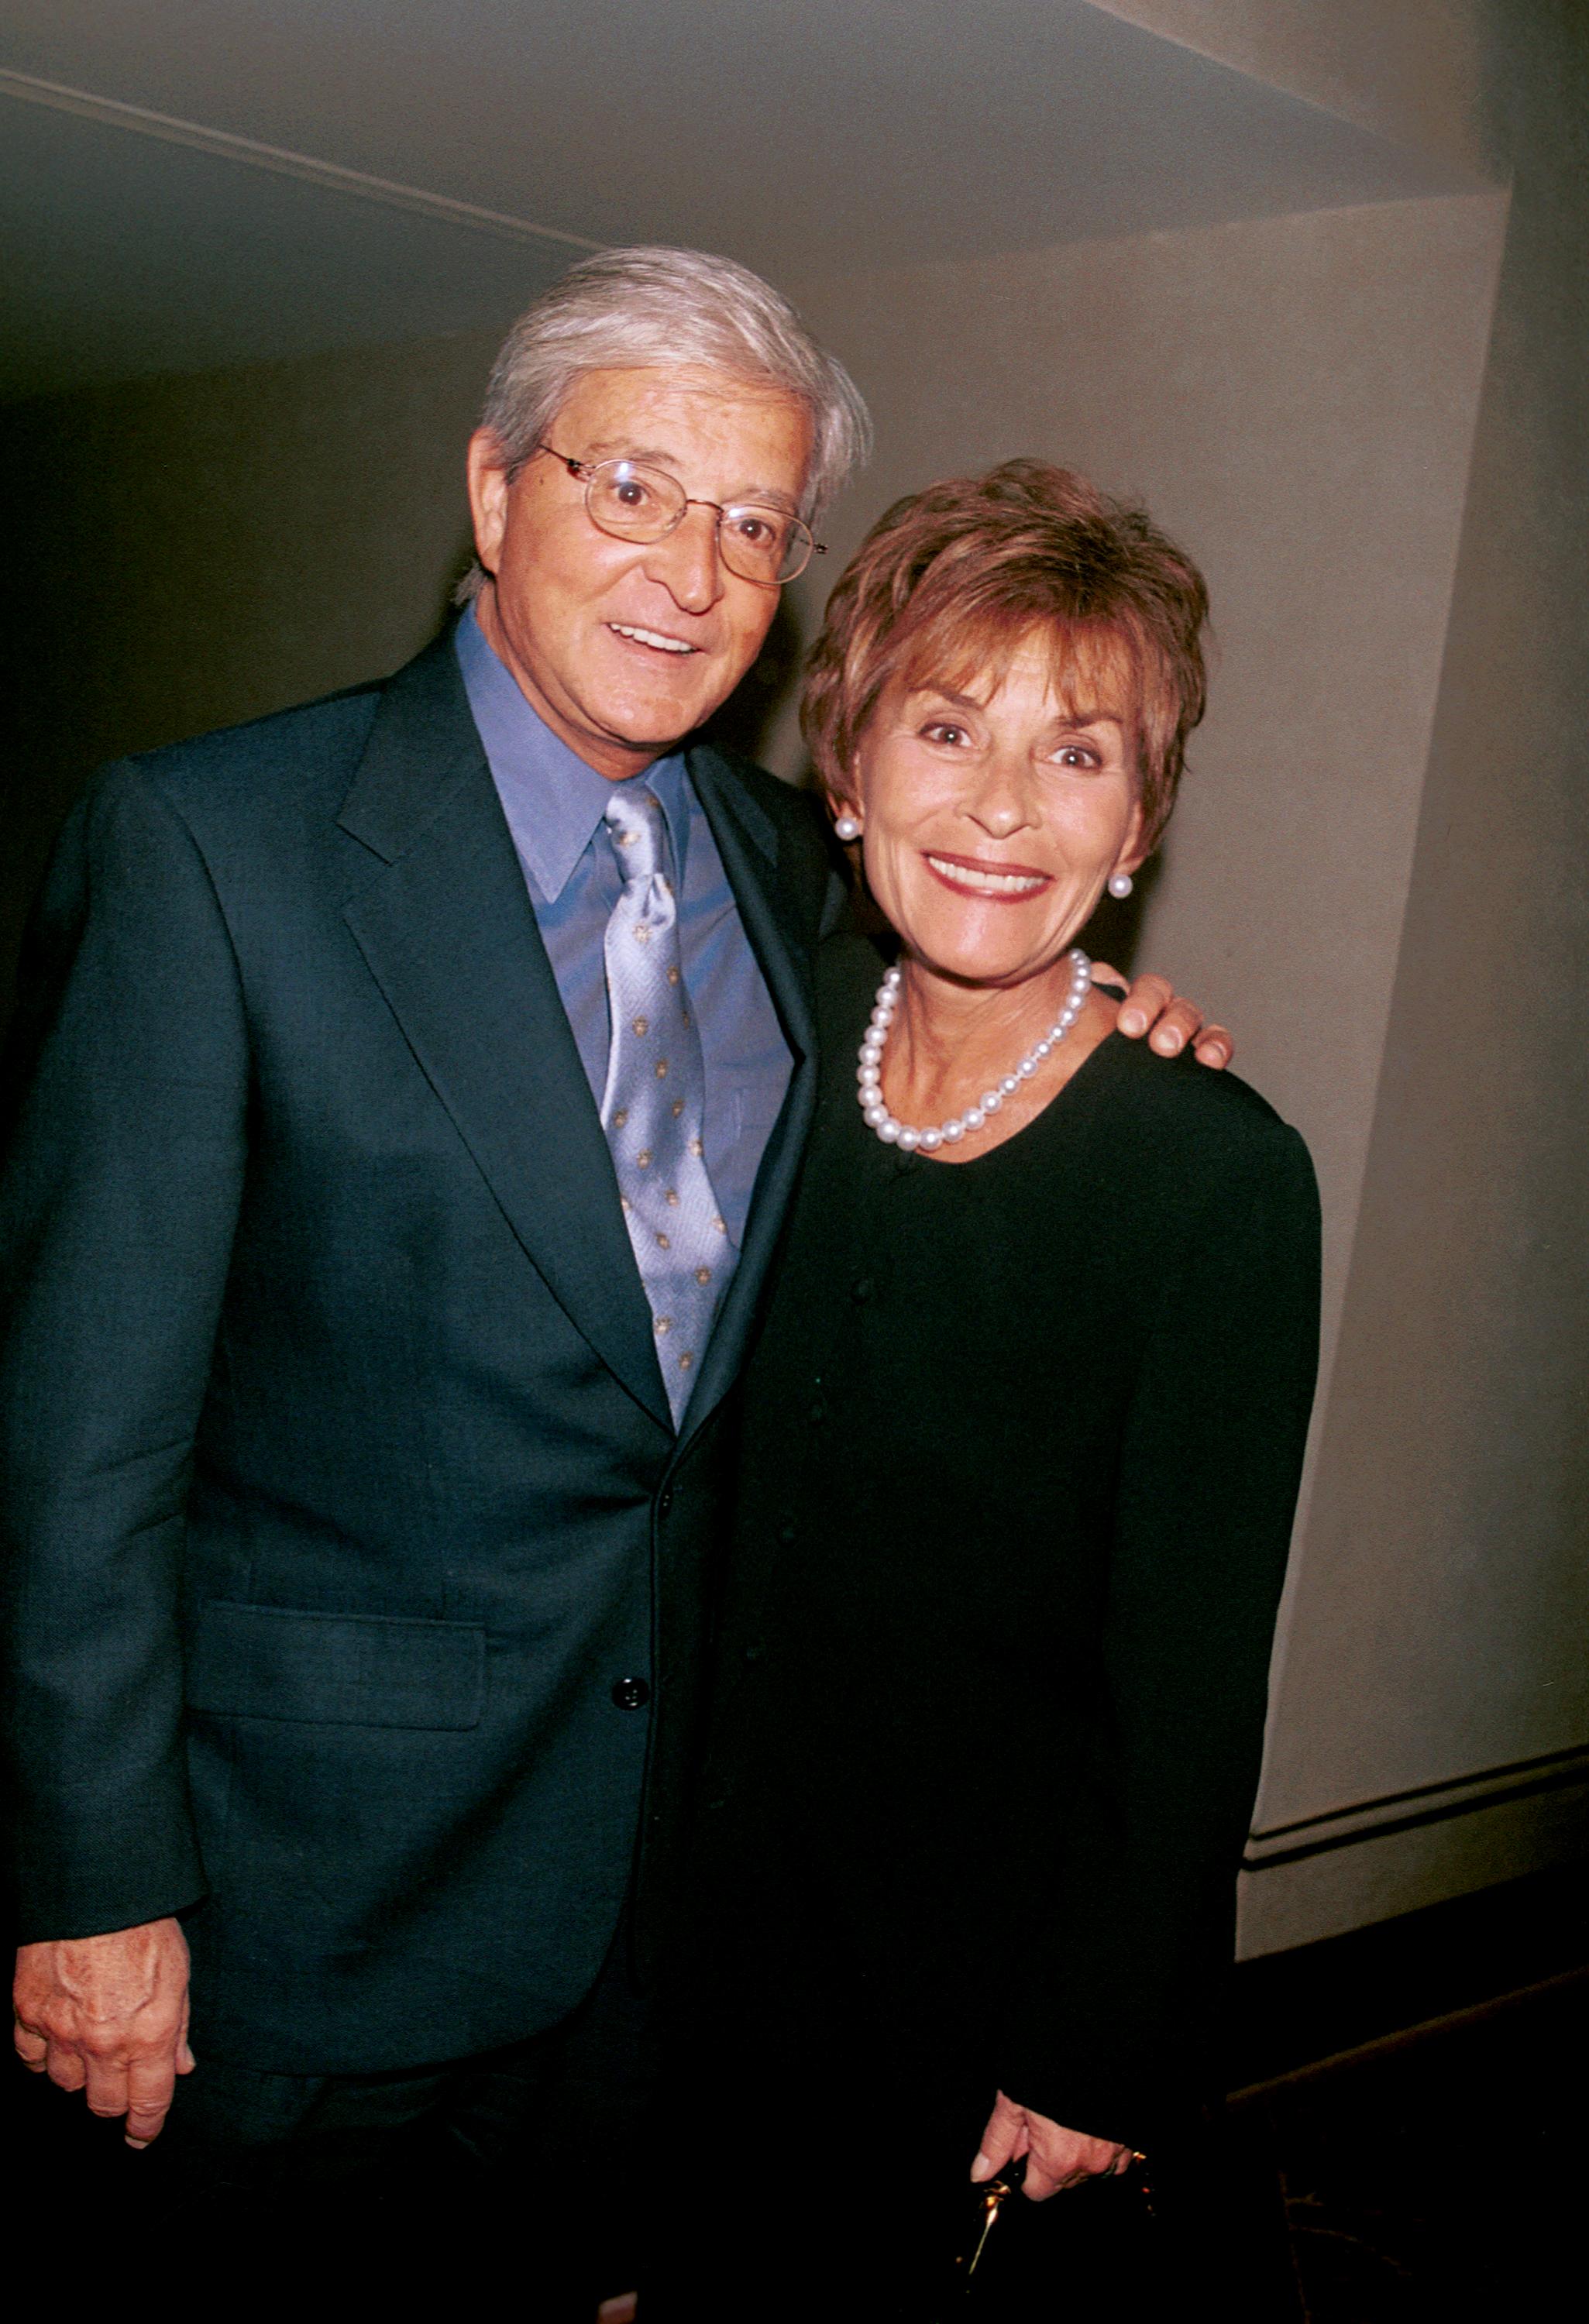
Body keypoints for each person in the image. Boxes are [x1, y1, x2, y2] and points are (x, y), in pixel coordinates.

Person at [0, 254, 1219, 2305]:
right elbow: (73, 1436)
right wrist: (89, 1885)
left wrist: (1104, 1016)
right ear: (493, 495)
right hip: (290, 1930)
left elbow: (954, 1011)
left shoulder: (783, 874)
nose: (692, 567)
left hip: (659, 1933)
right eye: (632, 486)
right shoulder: (215, 851)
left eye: (754, 524)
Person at [652, 460, 1320, 2317]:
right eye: (947, 729)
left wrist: (1099, 2040)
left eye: (1080, 753)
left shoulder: (1211, 1175)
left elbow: (1188, 1675)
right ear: (849, 773)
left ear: (1137, 827)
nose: (1003, 807)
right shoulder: (766, 1038)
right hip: (708, 1955)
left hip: (984, 2018)